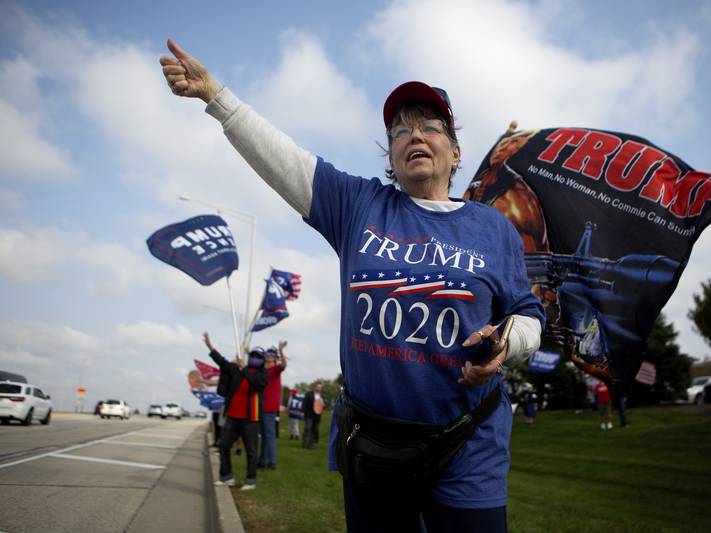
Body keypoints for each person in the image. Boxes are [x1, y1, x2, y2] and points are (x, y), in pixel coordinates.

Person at [161, 39, 544, 532]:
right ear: (391, 153)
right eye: (400, 130)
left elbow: (529, 315)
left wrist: (505, 342)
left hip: (468, 448)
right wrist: (216, 96)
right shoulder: (360, 206)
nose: (414, 135)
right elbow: (286, 160)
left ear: (455, 150)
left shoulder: (493, 229)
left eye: (429, 126)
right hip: (374, 447)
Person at [203, 332, 268, 491]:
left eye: (258, 356)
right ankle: (227, 477)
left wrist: (244, 368)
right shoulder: (237, 369)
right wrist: (210, 346)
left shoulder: (262, 374)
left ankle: (250, 481)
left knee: (251, 451)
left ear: (262, 360)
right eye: (252, 355)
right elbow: (222, 363)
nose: (254, 358)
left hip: (250, 419)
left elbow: (257, 385)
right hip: (232, 416)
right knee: (224, 445)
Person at [258, 341, 287, 469]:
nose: (268, 358)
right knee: (263, 435)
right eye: (267, 357)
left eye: (271, 357)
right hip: (261, 407)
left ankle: (272, 461)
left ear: (275, 359)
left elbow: (284, 364)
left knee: (269, 435)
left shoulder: (275, 370)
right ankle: (262, 460)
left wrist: (281, 350)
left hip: (270, 408)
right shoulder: (263, 371)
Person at [302, 382, 324, 449]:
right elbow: (304, 403)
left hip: (317, 416)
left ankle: (310, 445)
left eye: (320, 387)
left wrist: (323, 405)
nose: (319, 388)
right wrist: (302, 411)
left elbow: (323, 405)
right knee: (307, 429)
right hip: (309, 414)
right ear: (315, 387)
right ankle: (304, 444)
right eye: (318, 387)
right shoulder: (309, 394)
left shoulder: (322, 396)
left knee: (314, 430)